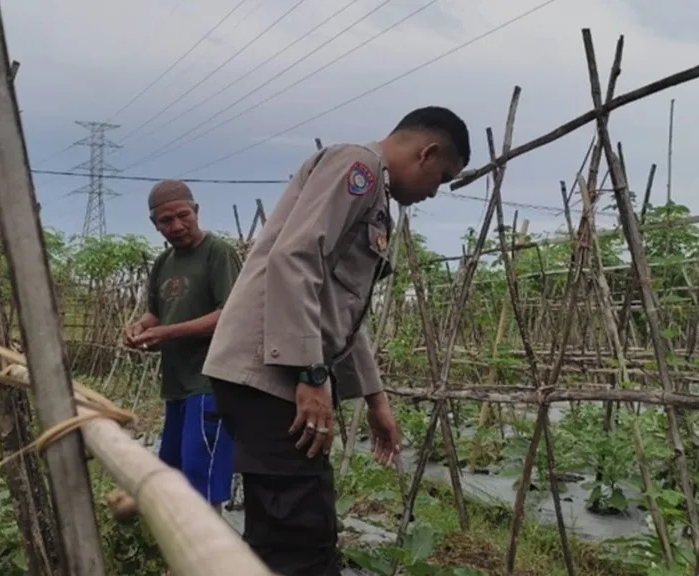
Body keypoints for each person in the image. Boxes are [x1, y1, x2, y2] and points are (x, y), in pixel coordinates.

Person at [203, 106, 471, 575]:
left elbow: (342, 311)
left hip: (271, 370)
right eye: (441, 177)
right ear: (426, 152)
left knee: (283, 526)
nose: (434, 192)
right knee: (301, 531)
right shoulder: (358, 168)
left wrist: (376, 398)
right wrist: (308, 373)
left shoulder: (376, 198)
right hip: (269, 371)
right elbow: (295, 257)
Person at [108, 179, 242, 519]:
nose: (177, 226)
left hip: (210, 383)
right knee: (176, 474)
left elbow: (230, 315)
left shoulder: (218, 254)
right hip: (177, 385)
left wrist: (169, 333)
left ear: (196, 211)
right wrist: (139, 327)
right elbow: (156, 312)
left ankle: (207, 560)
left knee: (202, 484)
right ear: (155, 225)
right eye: (166, 221)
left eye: (183, 215)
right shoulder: (164, 262)